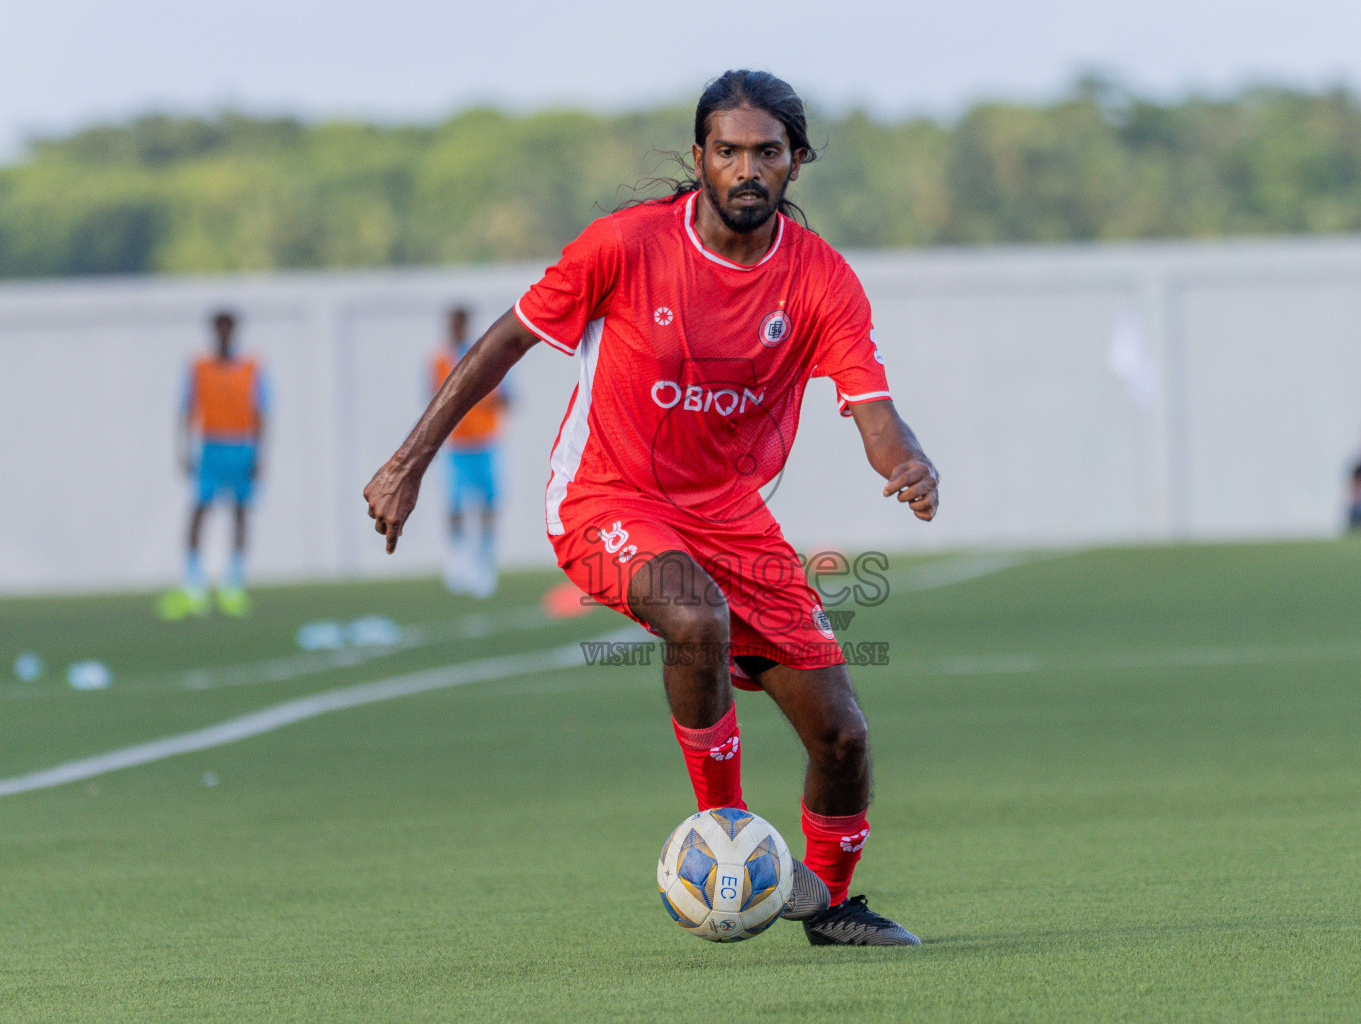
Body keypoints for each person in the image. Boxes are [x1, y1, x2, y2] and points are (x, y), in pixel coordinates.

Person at [364, 70, 939, 946]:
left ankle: (827, 907)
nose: (748, 168)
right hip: (606, 495)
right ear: (700, 157)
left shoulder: (820, 279)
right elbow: (509, 339)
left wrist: (908, 462)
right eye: (730, 151)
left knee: (844, 739)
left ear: (796, 162)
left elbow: (872, 410)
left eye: (768, 153)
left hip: (731, 517)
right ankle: (727, 831)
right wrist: (408, 464)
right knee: (695, 617)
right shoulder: (625, 246)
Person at [158, 311, 268, 619]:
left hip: (242, 444)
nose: (223, 334)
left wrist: (260, 454)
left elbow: (261, 411)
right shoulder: (199, 367)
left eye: (227, 328)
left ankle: (233, 584)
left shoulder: (251, 367)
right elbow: (187, 408)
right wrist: (182, 448)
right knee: (199, 510)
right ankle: (194, 584)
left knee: (240, 511)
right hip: (211, 443)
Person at [432, 306, 510, 596]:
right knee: (454, 505)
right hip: (457, 445)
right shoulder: (439, 359)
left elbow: (507, 397)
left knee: (488, 505)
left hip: (486, 442)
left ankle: (485, 562)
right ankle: (458, 560)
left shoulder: (486, 356)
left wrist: (486, 401)